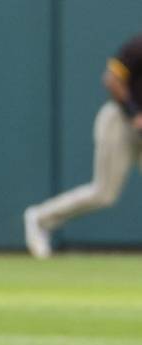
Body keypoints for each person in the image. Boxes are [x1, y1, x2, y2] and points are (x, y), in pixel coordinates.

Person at [25, 33, 142, 258]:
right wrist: (134, 113)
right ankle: (39, 219)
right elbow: (111, 79)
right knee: (104, 194)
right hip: (120, 121)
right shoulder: (138, 46)